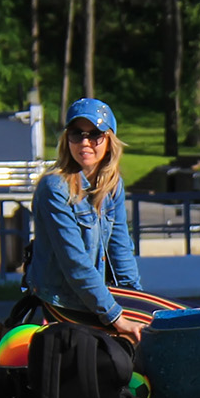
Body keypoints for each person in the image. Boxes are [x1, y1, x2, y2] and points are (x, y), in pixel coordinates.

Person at [25, 98, 143, 342]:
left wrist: (137, 303)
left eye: (95, 135)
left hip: (95, 300)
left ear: (109, 140)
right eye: (77, 134)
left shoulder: (112, 185)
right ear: (66, 139)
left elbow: (121, 249)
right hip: (62, 302)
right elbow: (75, 263)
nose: (85, 142)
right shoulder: (54, 188)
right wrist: (117, 317)